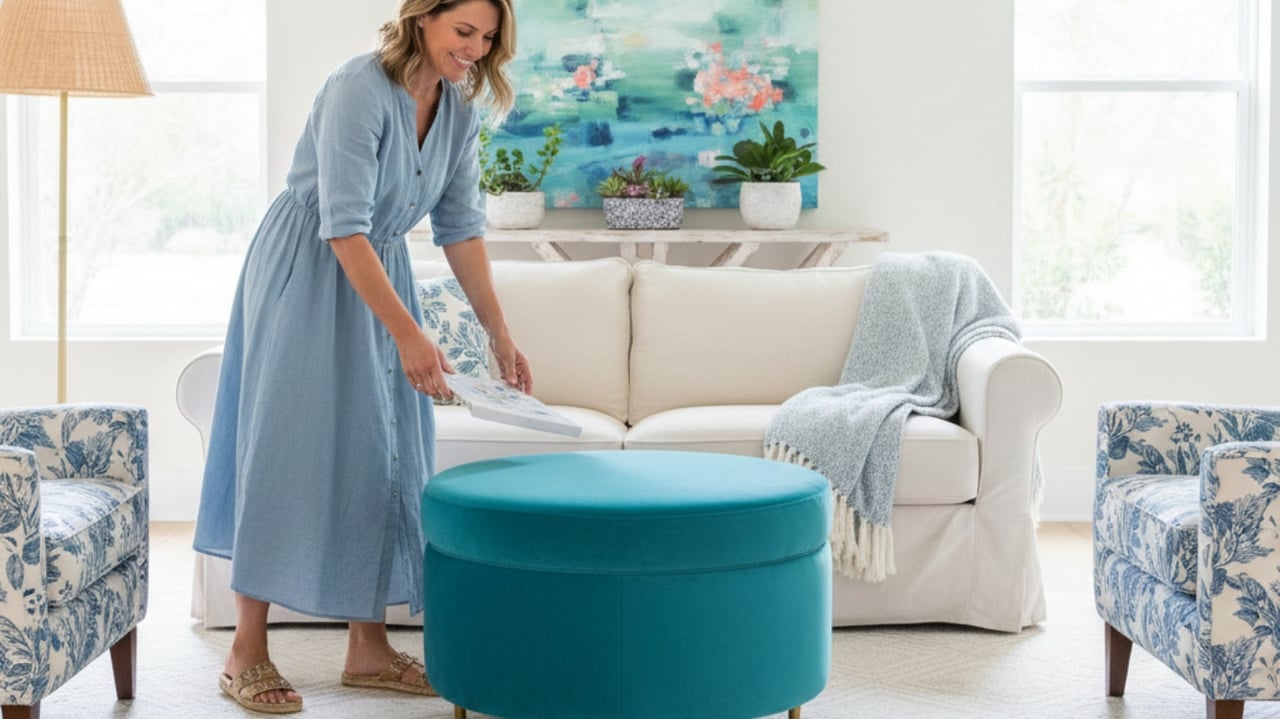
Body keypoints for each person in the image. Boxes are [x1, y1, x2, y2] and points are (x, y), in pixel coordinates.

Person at [192, 0, 531, 713]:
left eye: (487, 38)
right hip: (310, 268)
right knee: (286, 449)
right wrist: (408, 333)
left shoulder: (458, 111)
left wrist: (499, 333)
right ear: (422, 18)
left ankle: (368, 648)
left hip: (380, 272)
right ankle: (245, 649)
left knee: (385, 454)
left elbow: (461, 227)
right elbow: (342, 224)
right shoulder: (358, 88)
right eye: (463, 31)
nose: (475, 49)